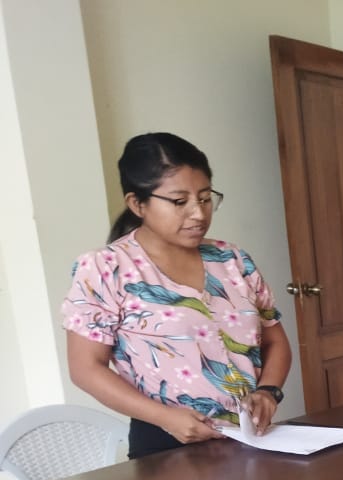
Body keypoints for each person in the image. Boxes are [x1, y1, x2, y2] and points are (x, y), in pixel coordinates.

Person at [63, 132, 292, 459]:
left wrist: (268, 392)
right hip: (165, 444)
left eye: (205, 198)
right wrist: (165, 418)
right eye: (179, 201)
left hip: (250, 438)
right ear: (137, 204)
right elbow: (86, 368)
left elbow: (275, 340)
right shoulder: (105, 268)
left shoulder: (232, 260)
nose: (198, 213)